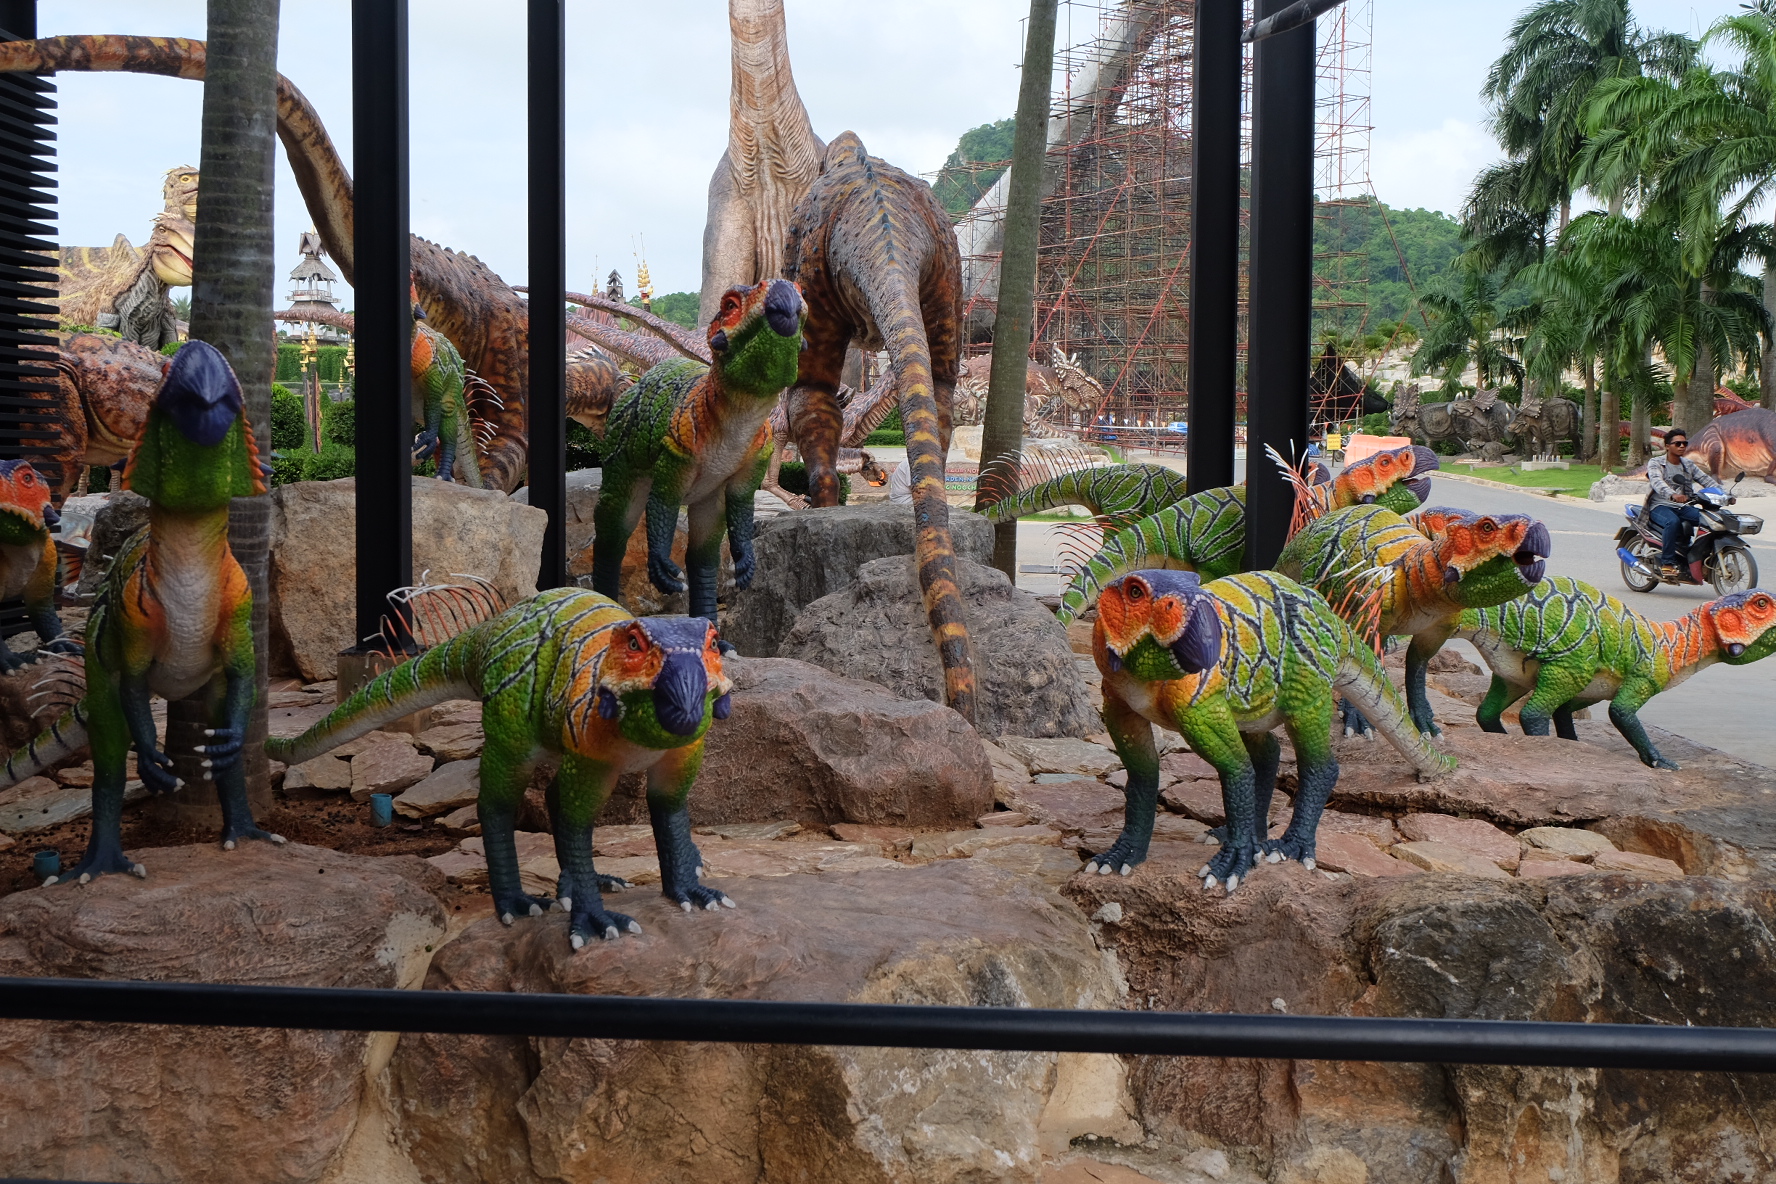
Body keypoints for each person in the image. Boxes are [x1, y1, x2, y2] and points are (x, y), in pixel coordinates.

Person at [1646, 429, 1711, 576]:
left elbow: (1706, 479)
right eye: (1677, 443)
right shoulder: (1656, 463)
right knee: (1672, 522)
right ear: (1667, 446)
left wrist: (1724, 493)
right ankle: (1667, 563)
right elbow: (1657, 482)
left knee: (1709, 520)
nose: (1682, 446)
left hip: (1682, 506)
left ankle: (1698, 557)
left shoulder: (1688, 464)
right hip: (1659, 505)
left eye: (1684, 443)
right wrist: (1673, 494)